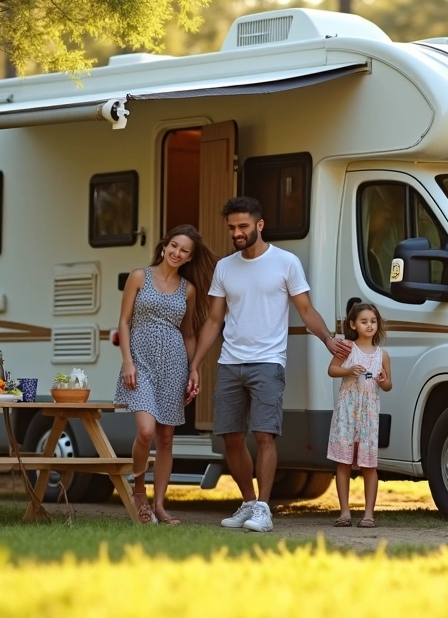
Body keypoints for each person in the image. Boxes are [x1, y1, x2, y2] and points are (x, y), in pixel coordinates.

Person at [188, 197, 352, 533]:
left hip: (268, 362)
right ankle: (249, 503)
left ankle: (264, 509)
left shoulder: (286, 262)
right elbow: (214, 320)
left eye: (243, 226)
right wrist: (195, 364)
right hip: (230, 362)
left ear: (259, 225)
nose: (237, 233)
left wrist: (327, 339)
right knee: (231, 438)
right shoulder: (225, 267)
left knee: (264, 435)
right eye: (232, 227)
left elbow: (306, 310)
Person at [115, 224, 215, 525]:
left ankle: (159, 506)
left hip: (174, 364)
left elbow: (188, 334)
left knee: (167, 438)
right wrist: (128, 362)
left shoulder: (188, 289)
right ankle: (139, 492)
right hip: (140, 362)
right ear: (164, 246)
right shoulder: (139, 277)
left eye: (184, 250)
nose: (177, 253)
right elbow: (123, 322)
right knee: (146, 431)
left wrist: (193, 369)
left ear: (189, 257)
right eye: (174, 246)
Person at [327, 301, 392, 528]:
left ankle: (369, 514)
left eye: (373, 321)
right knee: (343, 462)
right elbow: (331, 369)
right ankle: (345, 512)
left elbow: (388, 385)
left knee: (369, 464)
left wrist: (383, 381)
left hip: (369, 414)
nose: (369, 325)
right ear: (353, 324)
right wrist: (348, 370)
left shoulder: (382, 355)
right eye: (364, 321)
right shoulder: (347, 347)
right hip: (347, 411)